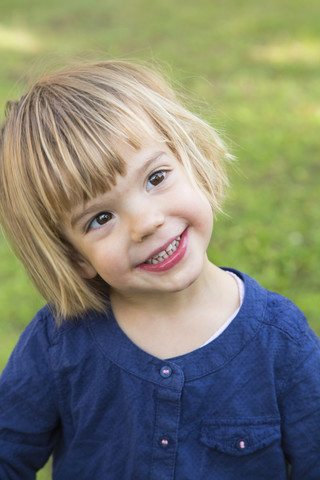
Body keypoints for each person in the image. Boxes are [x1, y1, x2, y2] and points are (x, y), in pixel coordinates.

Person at [0, 60, 319, 480]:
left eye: (156, 177)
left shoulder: (281, 340)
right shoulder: (58, 344)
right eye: (100, 219)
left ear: (192, 162)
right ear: (75, 257)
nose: (146, 222)